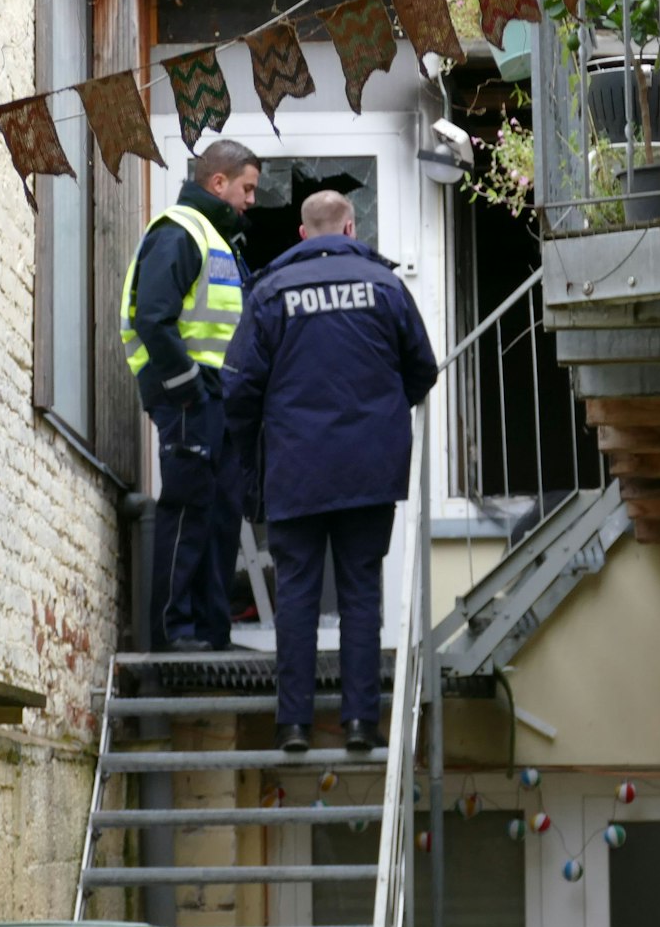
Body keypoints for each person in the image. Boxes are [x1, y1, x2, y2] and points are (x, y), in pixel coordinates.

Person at [225, 191, 438, 753]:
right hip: (370, 470)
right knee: (361, 594)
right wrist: (384, 414)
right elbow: (423, 369)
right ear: (350, 227)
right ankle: (360, 724)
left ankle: (293, 724)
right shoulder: (387, 287)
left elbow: (240, 387)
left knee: (295, 596)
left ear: (301, 234)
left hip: (295, 469)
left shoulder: (271, 292)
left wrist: (255, 449)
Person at [120, 140, 261, 652]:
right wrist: (188, 392)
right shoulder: (179, 232)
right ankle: (173, 633)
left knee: (222, 514)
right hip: (189, 397)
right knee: (186, 509)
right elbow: (151, 319)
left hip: (215, 399)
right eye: (247, 188)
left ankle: (211, 632)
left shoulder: (219, 240)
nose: (251, 200)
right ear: (217, 183)